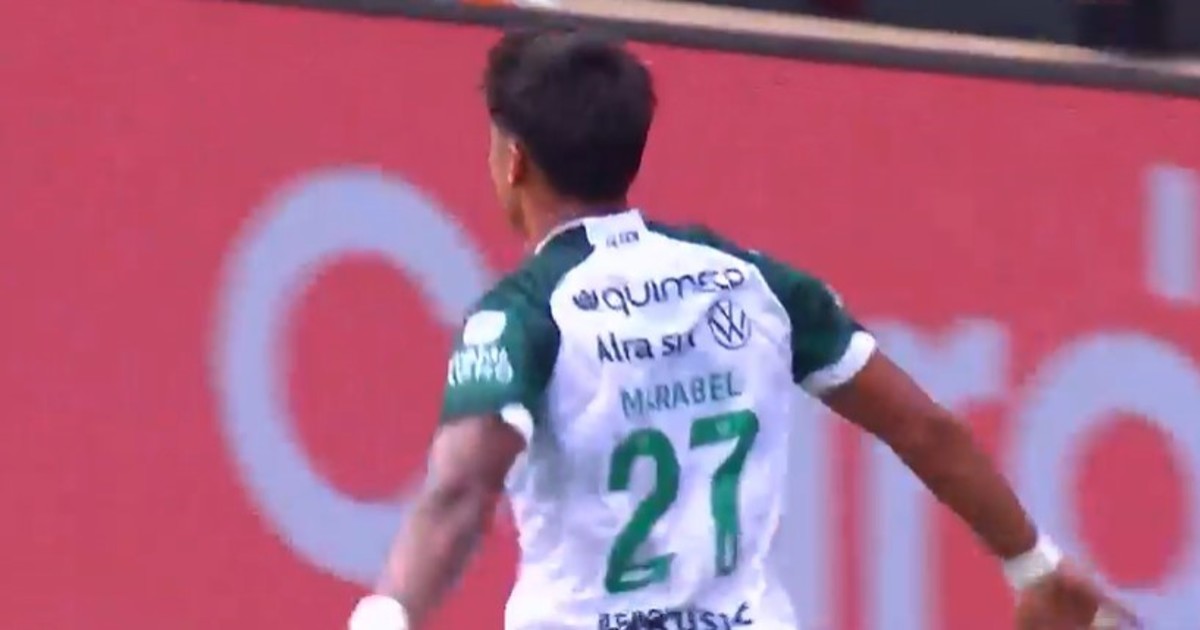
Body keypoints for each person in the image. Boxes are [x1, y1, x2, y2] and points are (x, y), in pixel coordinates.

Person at [347, 30, 1137, 630]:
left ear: (513, 161)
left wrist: (384, 615)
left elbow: (460, 490)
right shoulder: (752, 281)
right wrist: (1033, 565)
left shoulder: (522, 314)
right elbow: (923, 427)